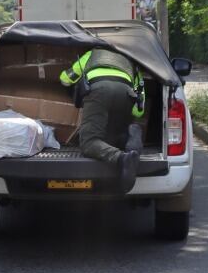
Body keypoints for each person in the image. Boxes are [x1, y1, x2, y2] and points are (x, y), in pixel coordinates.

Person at [60, 46, 145, 191]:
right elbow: (138, 111)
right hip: (126, 93)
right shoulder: (130, 60)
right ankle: (130, 134)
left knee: (88, 142)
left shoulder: (91, 54)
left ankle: (122, 158)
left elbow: (65, 79)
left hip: (99, 90)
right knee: (112, 138)